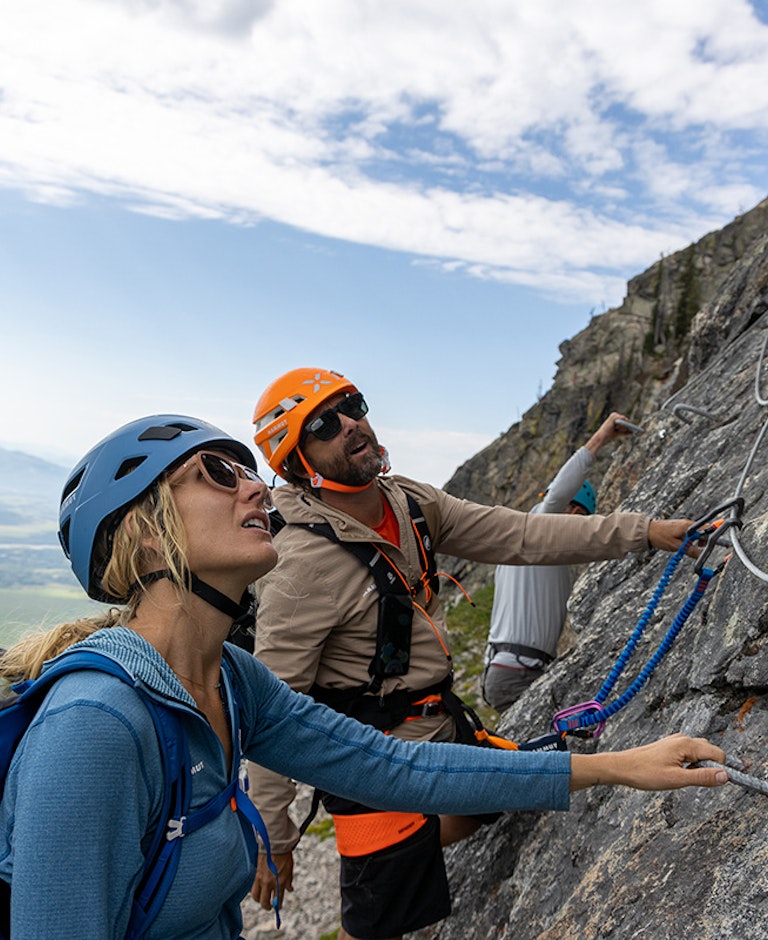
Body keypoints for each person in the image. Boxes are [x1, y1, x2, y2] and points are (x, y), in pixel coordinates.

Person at [0, 413, 729, 939]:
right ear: (143, 532)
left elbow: (396, 768)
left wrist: (620, 767)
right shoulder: (94, 728)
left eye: (247, 468)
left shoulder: (230, 681)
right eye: (215, 475)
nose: (253, 487)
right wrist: (277, 837)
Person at [248, 368, 705, 940]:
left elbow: (523, 535)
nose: (350, 423)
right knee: (379, 923)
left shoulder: (409, 502)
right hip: (378, 764)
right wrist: (274, 836)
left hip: (442, 723)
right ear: (297, 462)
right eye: (323, 424)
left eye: (352, 405)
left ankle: (418, 834)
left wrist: (647, 532)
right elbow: (272, 711)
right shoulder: (301, 565)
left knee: (491, 801)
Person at [483, 411, 635, 714]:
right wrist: (602, 436)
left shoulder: (520, 548)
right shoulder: (541, 526)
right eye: (582, 519)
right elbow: (560, 492)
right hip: (518, 672)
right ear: (574, 513)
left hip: (507, 668)